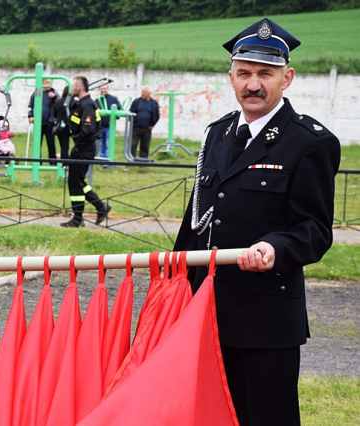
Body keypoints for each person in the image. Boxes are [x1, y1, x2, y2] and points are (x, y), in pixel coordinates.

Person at [173, 18, 340, 426]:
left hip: (264, 319)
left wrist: (275, 248)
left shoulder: (310, 142)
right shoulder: (217, 134)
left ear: (288, 78)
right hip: (204, 312)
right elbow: (196, 221)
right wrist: (173, 281)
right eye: (244, 73)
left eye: (265, 73)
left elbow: (314, 230)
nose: (253, 84)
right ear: (231, 77)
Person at [60, 76, 111, 228]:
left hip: (83, 148)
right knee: (77, 181)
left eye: (73, 86)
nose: (71, 89)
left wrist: (78, 146)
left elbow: (87, 130)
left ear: (79, 87)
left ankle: (78, 219)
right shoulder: (81, 104)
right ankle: (99, 208)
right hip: (81, 147)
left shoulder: (87, 105)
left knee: (76, 183)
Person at [27, 79, 60, 164]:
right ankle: (37, 161)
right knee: (37, 143)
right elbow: (31, 105)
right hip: (38, 123)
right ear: (42, 83)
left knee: (51, 143)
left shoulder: (54, 93)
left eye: (50, 83)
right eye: (46, 83)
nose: (48, 85)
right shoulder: (36, 93)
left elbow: (59, 105)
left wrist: (54, 97)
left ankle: (52, 161)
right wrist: (30, 116)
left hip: (49, 123)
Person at [128, 86, 159, 159]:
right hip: (136, 127)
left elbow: (157, 115)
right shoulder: (137, 102)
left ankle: (143, 161)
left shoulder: (153, 103)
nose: (143, 94)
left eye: (144, 92)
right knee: (133, 144)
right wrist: (133, 122)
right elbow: (130, 112)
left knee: (145, 146)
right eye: (142, 92)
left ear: (149, 93)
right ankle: (131, 159)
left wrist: (152, 124)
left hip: (147, 128)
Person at [94, 84, 121, 158]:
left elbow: (119, 110)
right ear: (99, 89)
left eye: (105, 88)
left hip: (110, 126)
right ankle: (102, 158)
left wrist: (114, 119)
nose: (103, 90)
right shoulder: (97, 100)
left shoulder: (113, 99)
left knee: (108, 143)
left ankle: (108, 158)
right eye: (102, 89)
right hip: (100, 126)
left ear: (107, 89)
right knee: (101, 143)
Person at [52, 85, 72, 160]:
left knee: (64, 147)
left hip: (61, 126)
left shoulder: (58, 102)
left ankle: (64, 163)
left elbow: (54, 114)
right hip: (72, 125)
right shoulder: (74, 102)